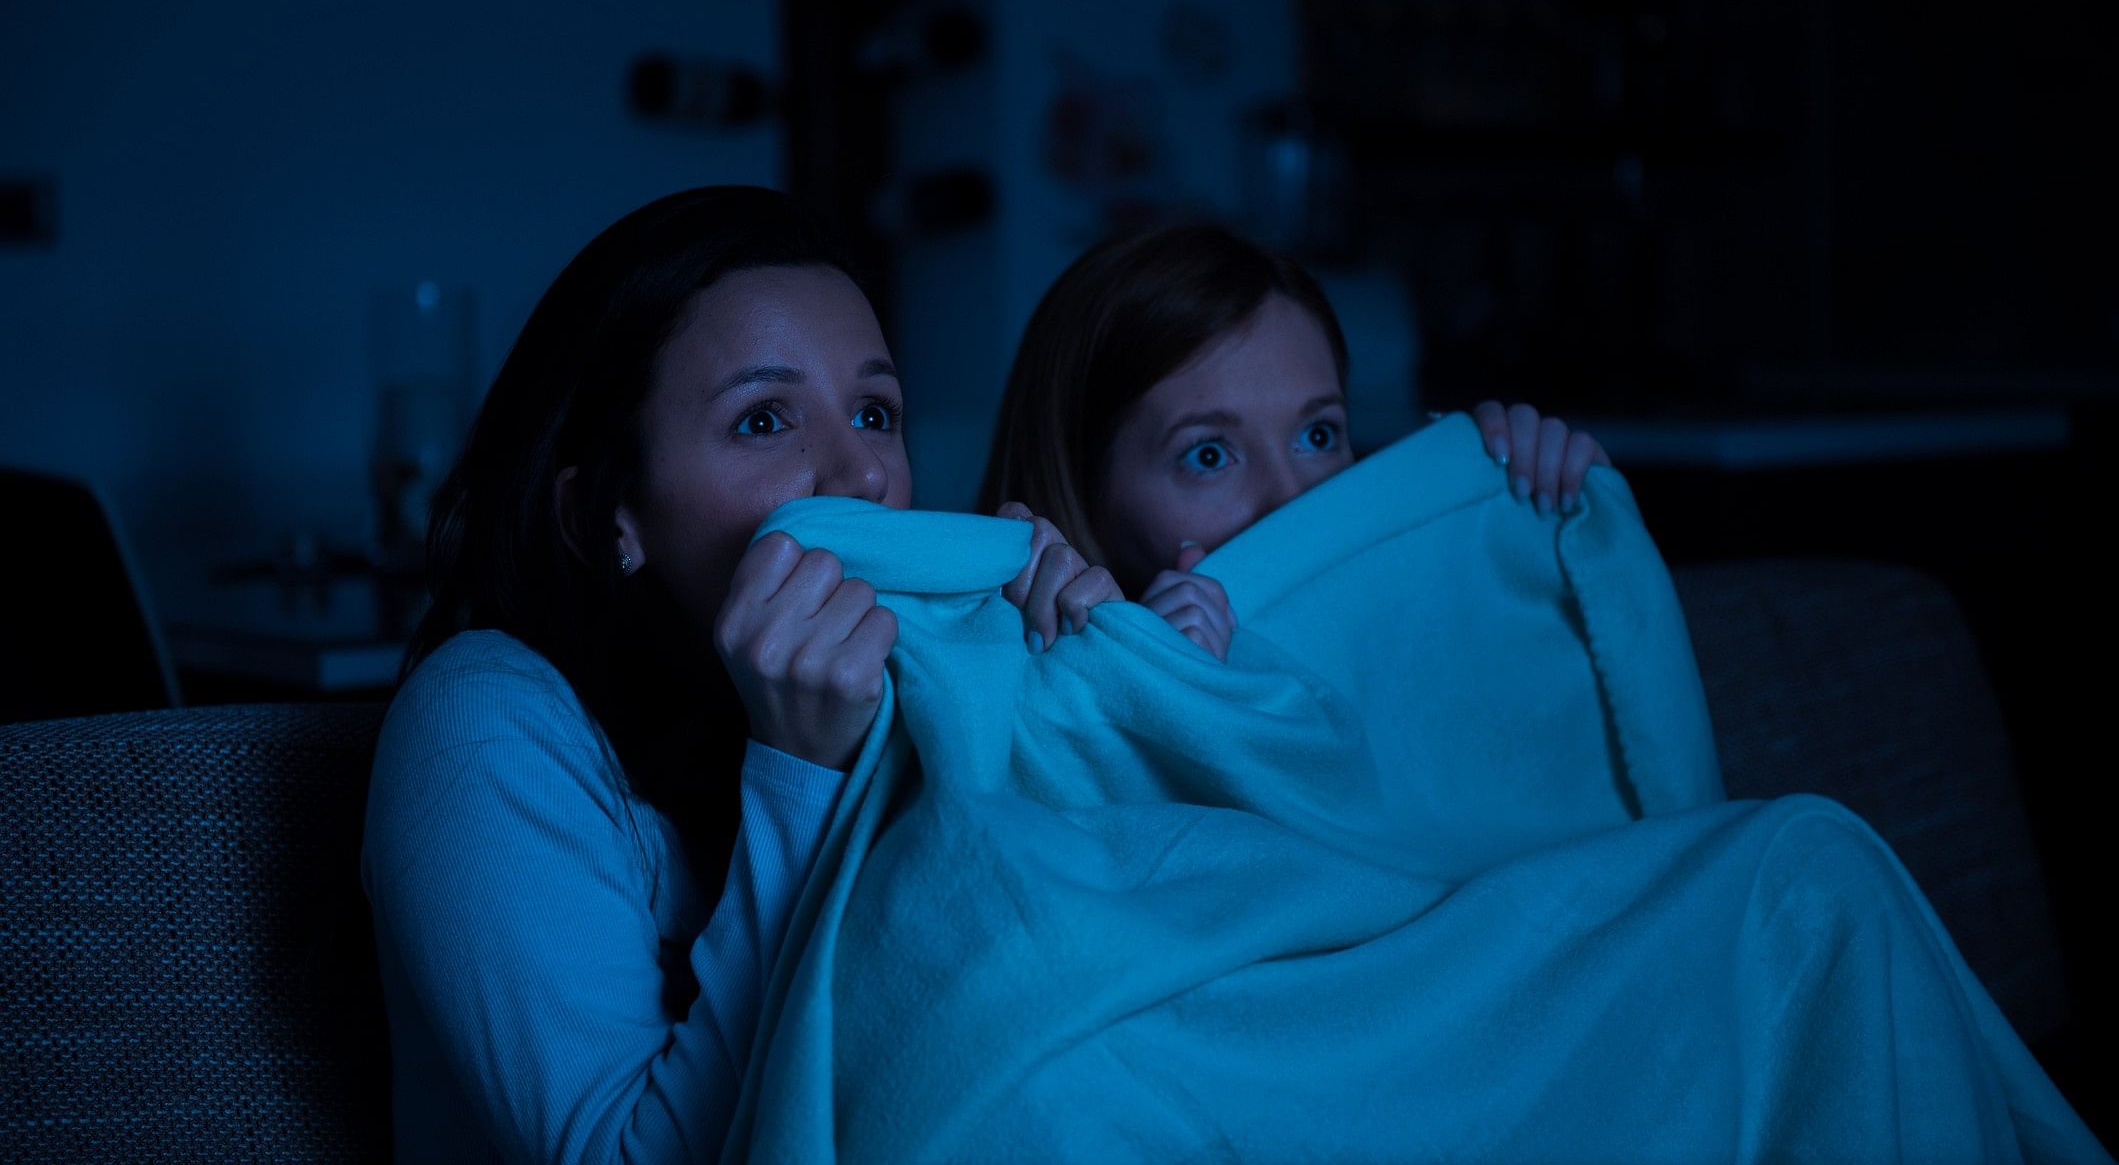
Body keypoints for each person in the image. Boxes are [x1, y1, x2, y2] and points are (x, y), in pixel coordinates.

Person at [360, 185, 1123, 1161]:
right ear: (608, 515)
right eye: (765, 419)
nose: (861, 477)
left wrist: (1065, 712)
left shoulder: (904, 694)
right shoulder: (482, 722)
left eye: (875, 411)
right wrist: (802, 774)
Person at [979, 221, 1610, 660]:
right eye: (1209, 455)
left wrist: (1543, 526)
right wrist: (1173, 705)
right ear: (1081, 490)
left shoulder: (1405, 616)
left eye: (1318, 434)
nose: (1293, 499)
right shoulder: (1018, 698)